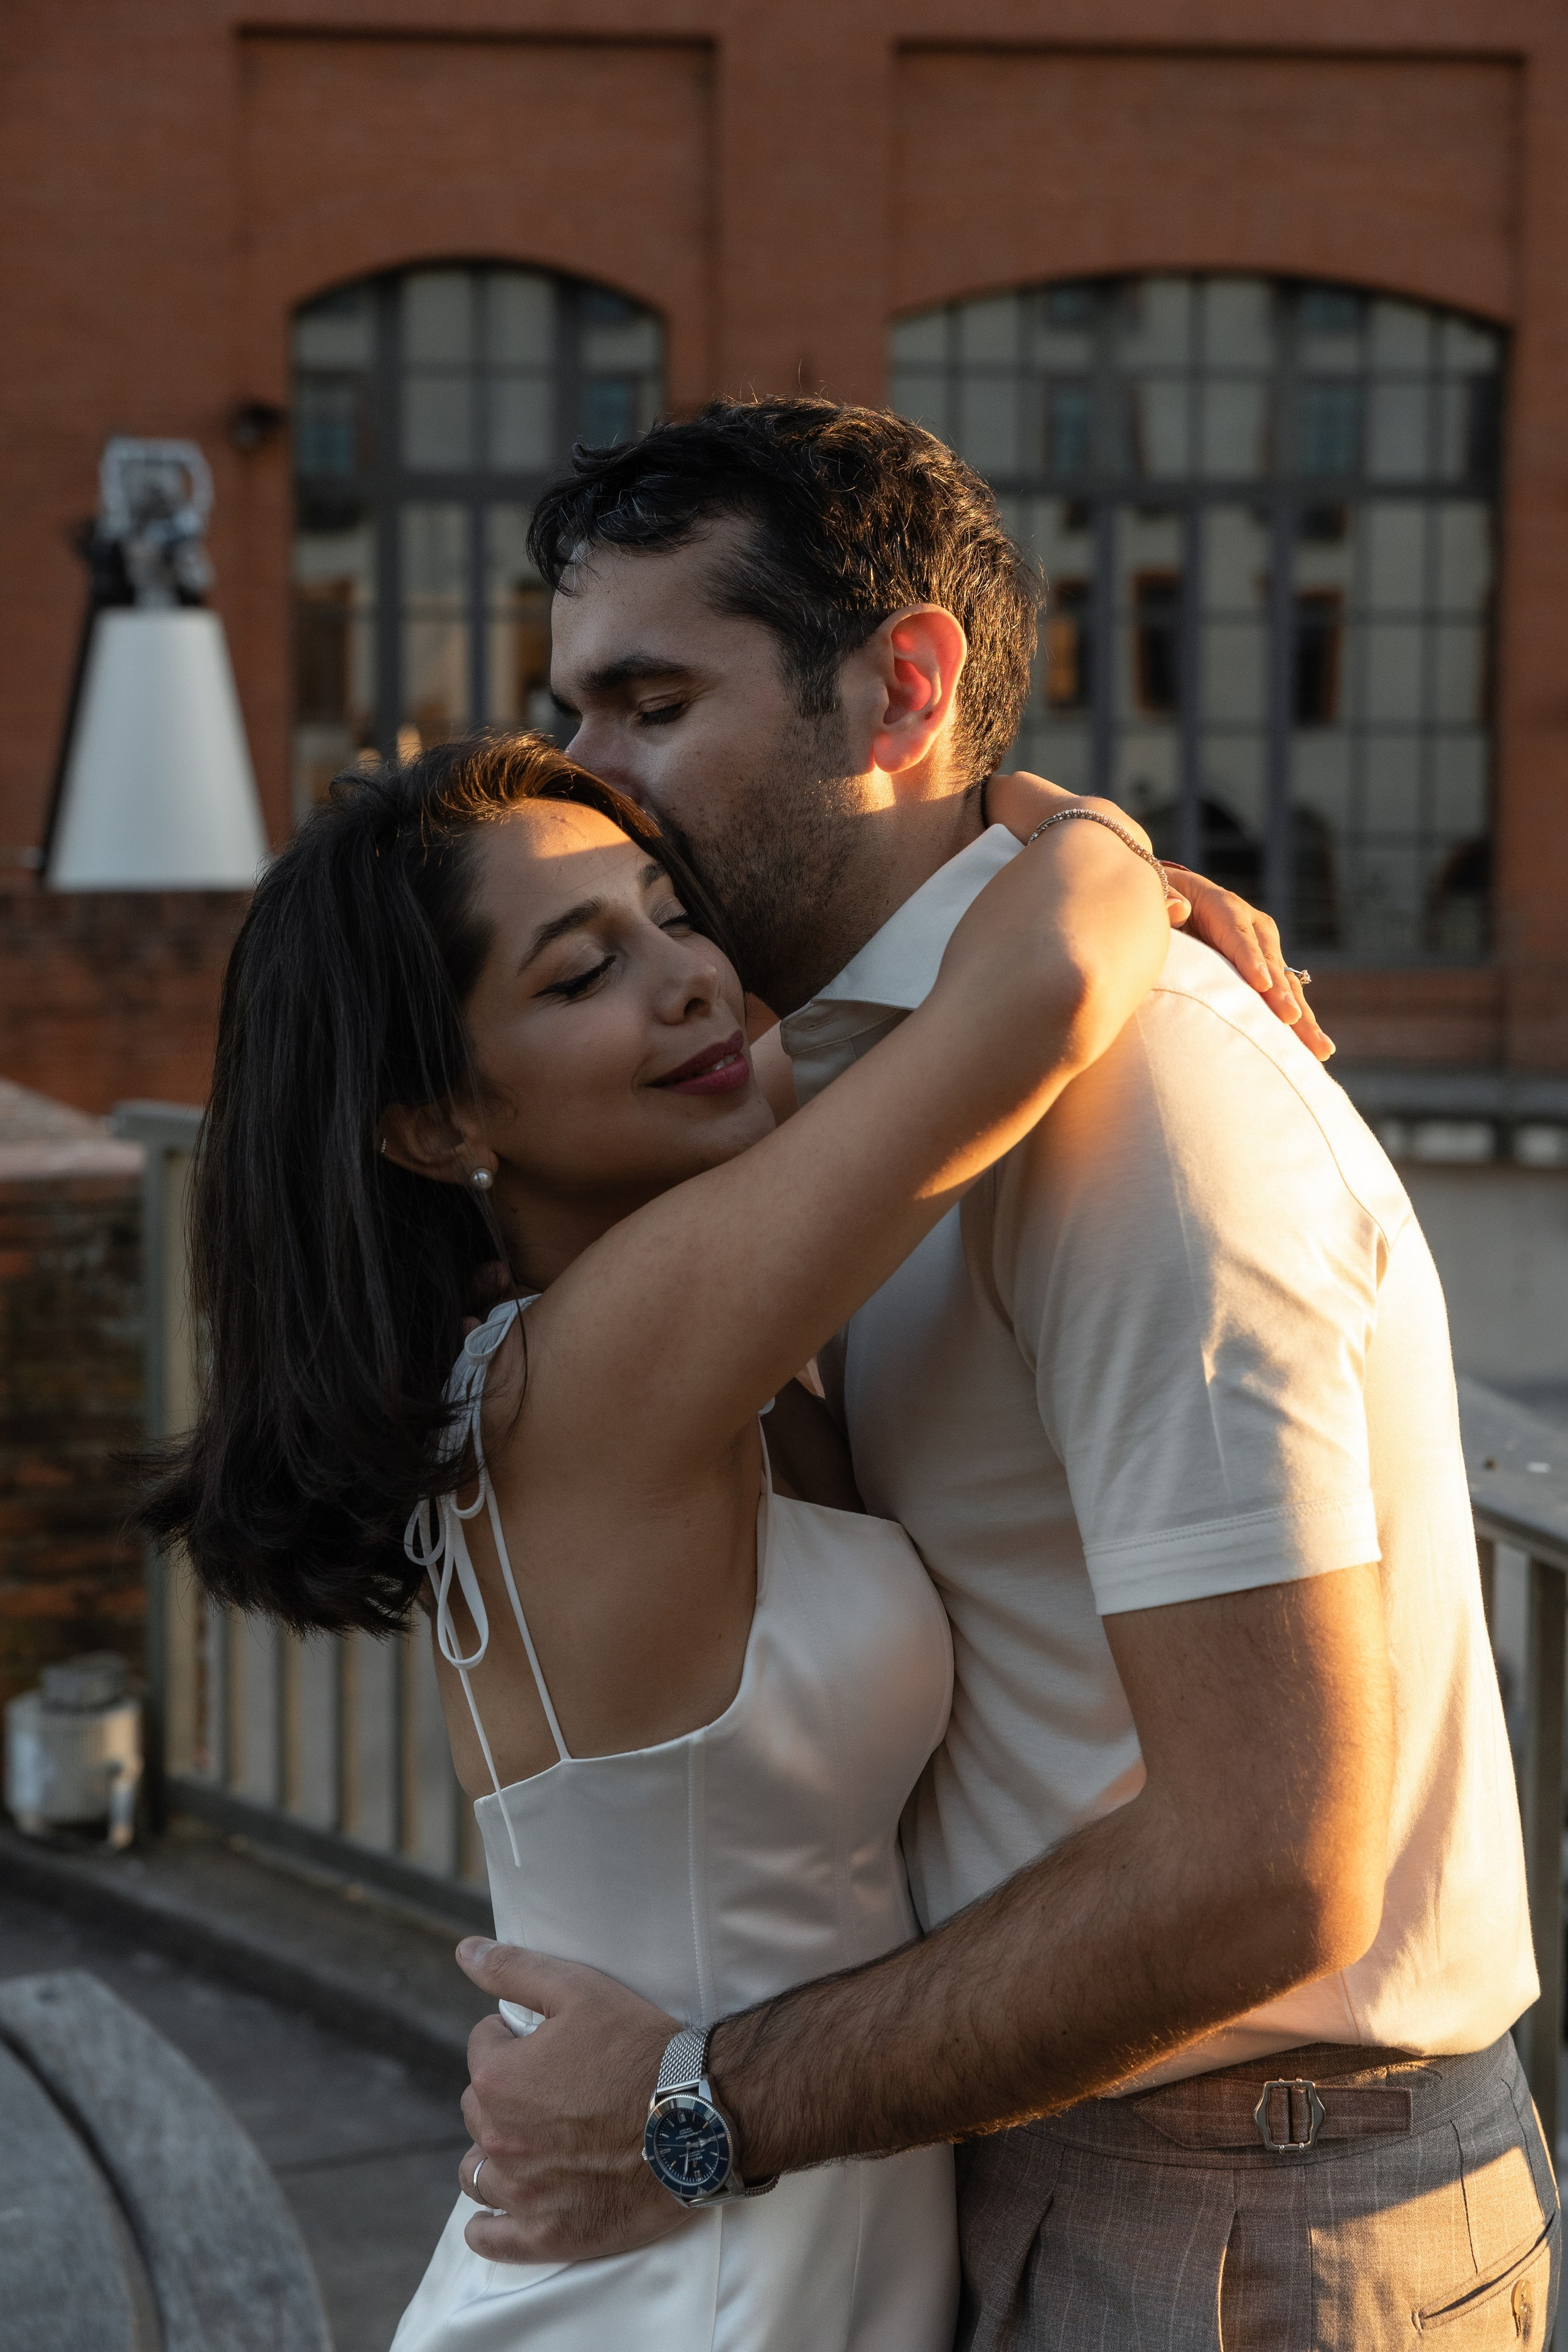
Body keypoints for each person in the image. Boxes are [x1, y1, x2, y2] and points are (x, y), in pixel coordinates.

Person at [448, 399, 1554, 2348]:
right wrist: (1082, 835)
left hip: (1233, 2216)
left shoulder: (1145, 1114)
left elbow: (1263, 1869)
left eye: (647, 702)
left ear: (900, 688)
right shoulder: (835, 1090)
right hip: (1027, 2161)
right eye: (577, 712)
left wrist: (700, 2112)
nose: (595, 782)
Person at [140, 727, 1193, 2350]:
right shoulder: (601, 1368)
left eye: (673, 918)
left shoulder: (672, 1359)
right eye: (580, 976)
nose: (693, 981)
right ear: (434, 1125)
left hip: (732, 2249)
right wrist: (1069, 825)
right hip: (678, 2291)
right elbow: (1046, 988)